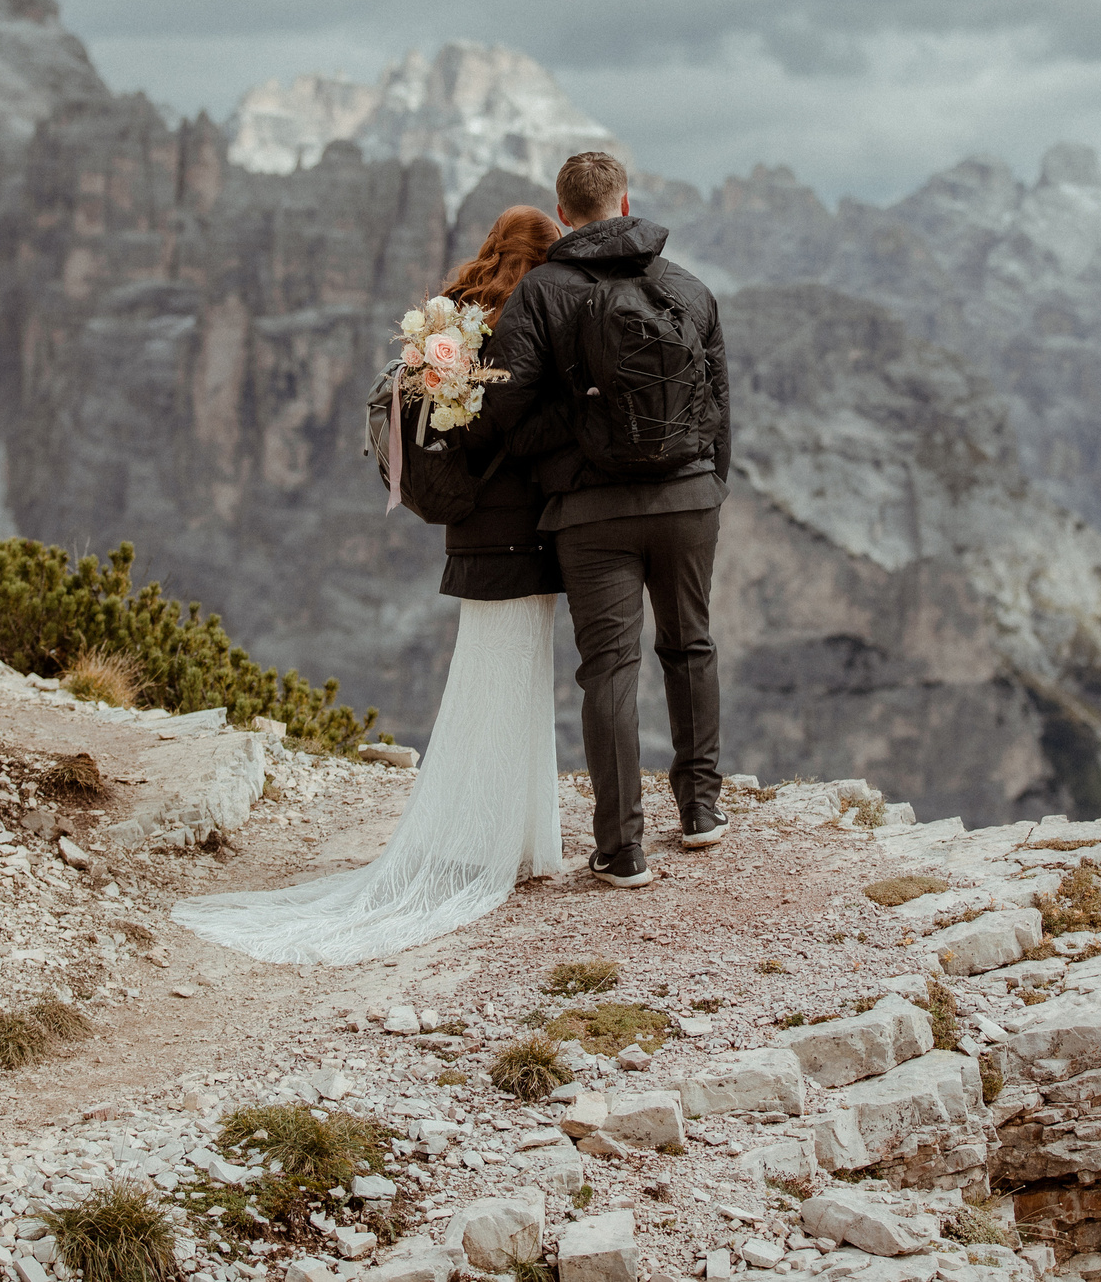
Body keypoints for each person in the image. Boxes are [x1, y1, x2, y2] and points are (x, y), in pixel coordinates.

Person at [169, 206, 572, 963]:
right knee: (516, 678)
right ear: (544, 261)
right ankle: (499, 848)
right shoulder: (525, 327)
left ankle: (506, 839)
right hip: (521, 529)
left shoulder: (456, 322)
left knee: (493, 675)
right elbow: (511, 430)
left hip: (475, 532)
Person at [460, 151, 730, 889]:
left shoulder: (544, 291)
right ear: (624, 202)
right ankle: (702, 811)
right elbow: (719, 407)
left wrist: (577, 431)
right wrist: (706, 489)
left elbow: (505, 409)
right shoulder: (688, 286)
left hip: (590, 513)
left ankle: (622, 848)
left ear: (565, 214)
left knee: (610, 669)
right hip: (688, 499)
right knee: (691, 644)